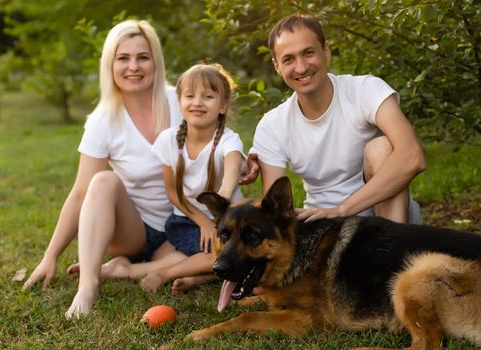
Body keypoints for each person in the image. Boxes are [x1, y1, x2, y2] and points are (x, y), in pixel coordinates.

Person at [21, 19, 183, 319]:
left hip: (183, 227)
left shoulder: (181, 100)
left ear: (155, 61)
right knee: (103, 181)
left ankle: (123, 270)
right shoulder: (103, 120)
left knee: (215, 253)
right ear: (111, 64)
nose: (133, 66)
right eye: (123, 58)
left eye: (142, 57)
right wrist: (50, 256)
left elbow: (218, 147)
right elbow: (81, 194)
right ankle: (89, 284)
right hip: (135, 230)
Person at [249, 14, 426, 224]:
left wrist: (343, 209)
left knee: (381, 148)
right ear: (277, 66)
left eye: (308, 53)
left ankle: (392, 251)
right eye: (289, 59)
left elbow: (412, 156)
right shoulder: (272, 125)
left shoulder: (365, 90)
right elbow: (275, 208)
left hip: (389, 218)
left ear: (326, 51)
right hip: (324, 226)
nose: (301, 67)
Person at [102, 63, 244, 293]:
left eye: (208, 96)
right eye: (190, 96)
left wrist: (219, 212)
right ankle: (161, 271)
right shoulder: (169, 140)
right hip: (186, 220)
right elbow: (172, 192)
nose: (197, 102)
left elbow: (230, 177)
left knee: (228, 254)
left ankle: (168, 275)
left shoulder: (229, 142)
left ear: (223, 105)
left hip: (224, 220)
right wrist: (203, 222)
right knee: (201, 254)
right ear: (180, 103)